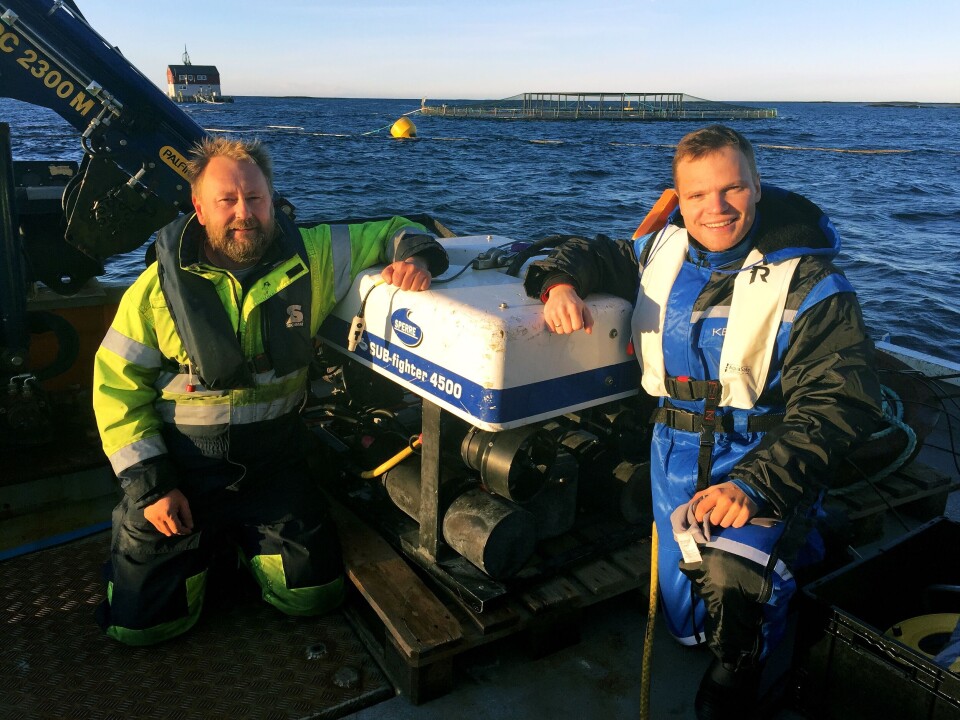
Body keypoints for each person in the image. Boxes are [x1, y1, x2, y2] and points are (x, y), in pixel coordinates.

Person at [523, 125, 883, 719]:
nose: (714, 209)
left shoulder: (814, 284)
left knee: (730, 578)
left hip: (759, 453)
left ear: (757, 186)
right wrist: (558, 283)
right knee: (685, 625)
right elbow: (592, 252)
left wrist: (756, 484)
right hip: (672, 451)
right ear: (678, 198)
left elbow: (841, 402)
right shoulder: (659, 250)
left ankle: (741, 668)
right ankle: (811, 544)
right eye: (696, 196)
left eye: (732, 189)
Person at [92, 136, 448, 646]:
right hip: (183, 473)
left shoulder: (318, 255)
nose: (244, 213)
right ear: (198, 207)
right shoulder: (154, 291)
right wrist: (150, 487)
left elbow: (400, 228)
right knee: (142, 628)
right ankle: (189, 546)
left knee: (313, 596)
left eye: (255, 199)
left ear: (272, 198)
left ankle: (233, 543)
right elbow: (114, 389)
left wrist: (416, 258)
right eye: (227, 201)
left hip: (273, 468)